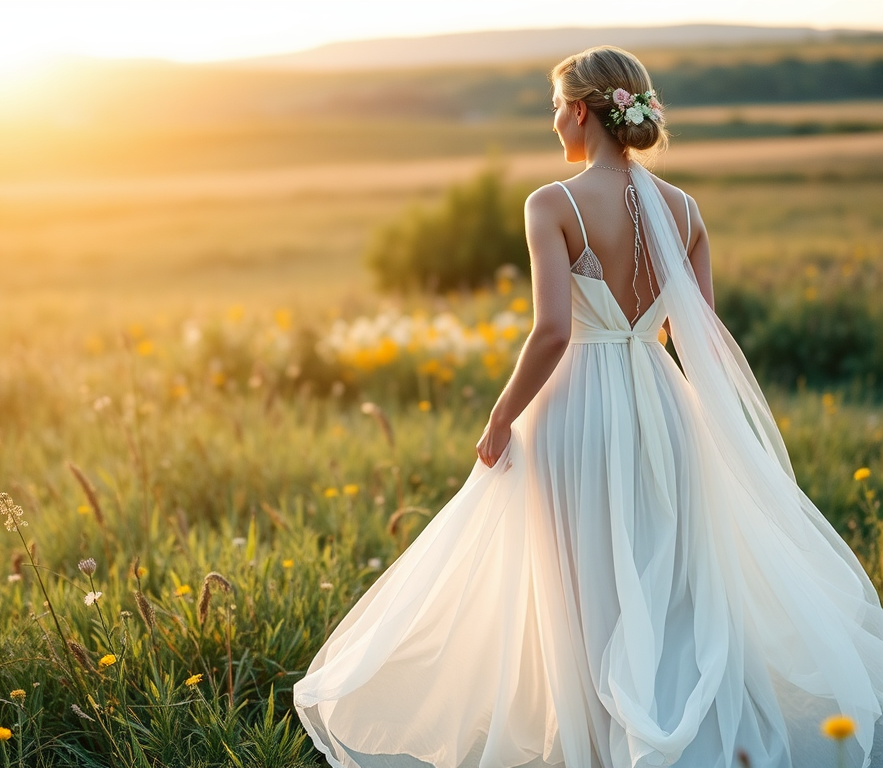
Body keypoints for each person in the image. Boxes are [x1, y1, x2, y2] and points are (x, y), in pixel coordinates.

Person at [293, 46, 883, 768]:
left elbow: (551, 332)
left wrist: (502, 415)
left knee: (581, 583)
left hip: (576, 409)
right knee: (668, 579)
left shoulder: (553, 203)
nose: (553, 124)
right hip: (664, 407)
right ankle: (666, 731)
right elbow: (693, 334)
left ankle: (599, 741)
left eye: (554, 109)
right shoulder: (686, 209)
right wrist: (709, 427)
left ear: (579, 110)